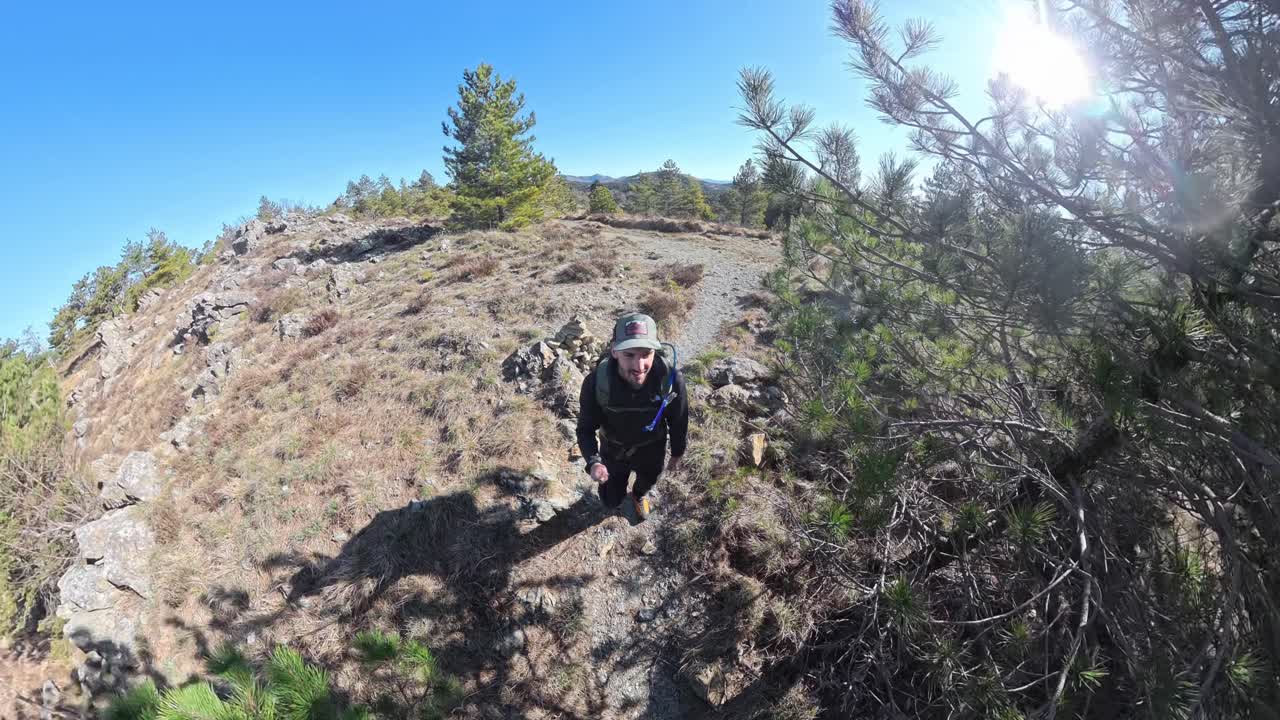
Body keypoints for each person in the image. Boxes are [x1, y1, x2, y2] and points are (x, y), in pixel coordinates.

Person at [576, 312, 689, 521]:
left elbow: (678, 421)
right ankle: (617, 502)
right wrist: (594, 462)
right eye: (629, 355)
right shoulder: (597, 383)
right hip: (613, 452)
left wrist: (677, 453)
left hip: (653, 450)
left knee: (647, 481)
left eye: (646, 354)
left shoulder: (670, 380)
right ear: (615, 351)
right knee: (610, 500)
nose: (639, 366)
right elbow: (585, 429)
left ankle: (637, 496)